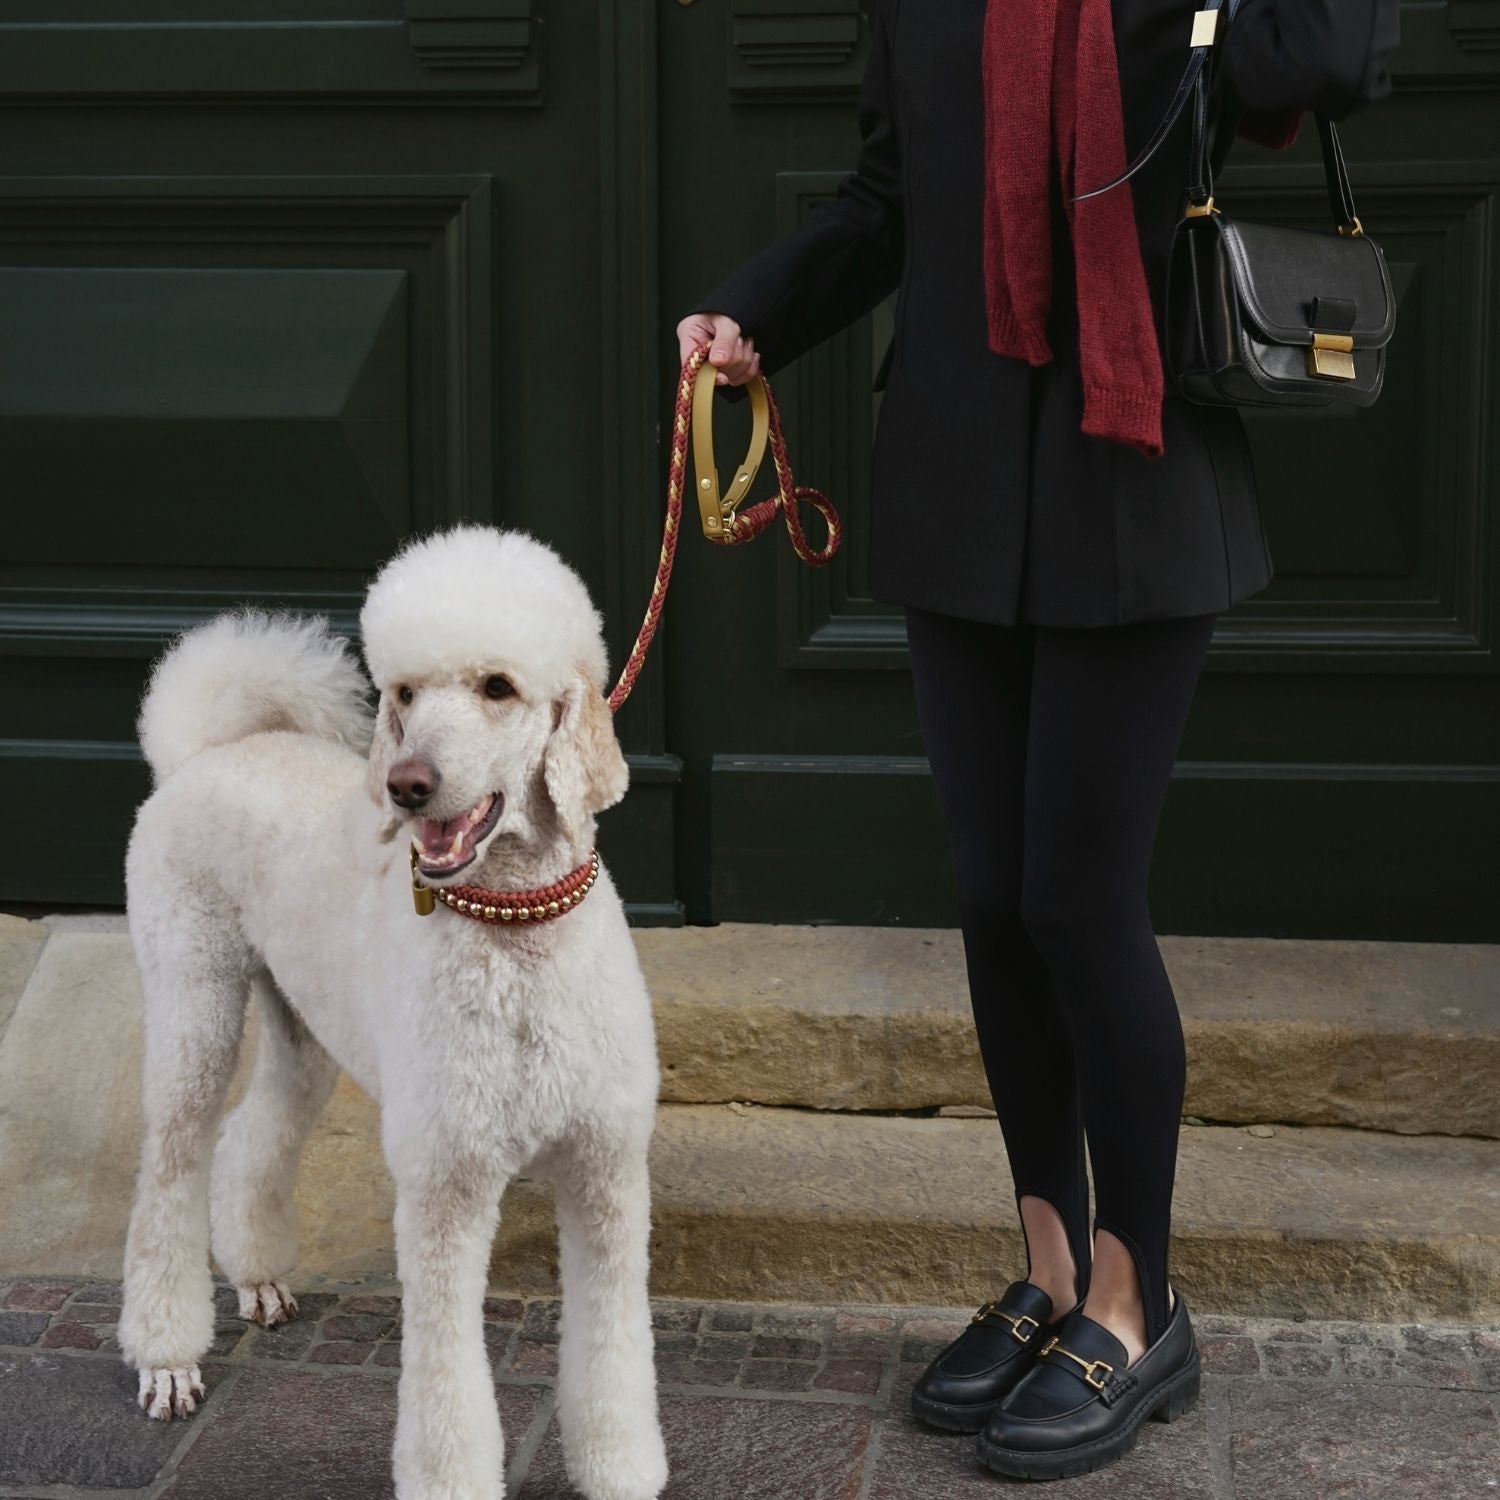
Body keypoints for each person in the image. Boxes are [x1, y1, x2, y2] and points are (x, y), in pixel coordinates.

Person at [676, 0, 1399, 1482]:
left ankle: (1139, 1308)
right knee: (999, 903)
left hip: (1131, 480)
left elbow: (1322, 62)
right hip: (954, 475)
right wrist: (756, 311)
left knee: (1080, 901)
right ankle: (1053, 1275)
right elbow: (891, 199)